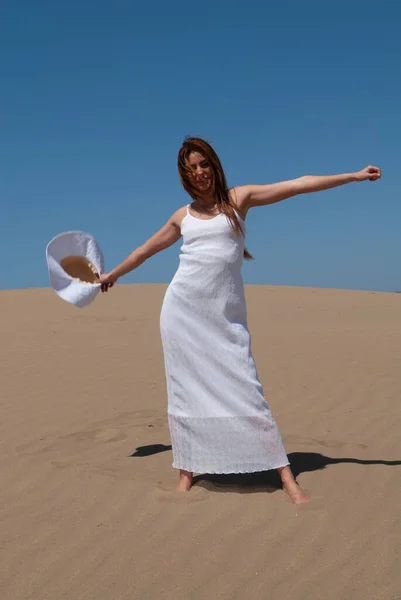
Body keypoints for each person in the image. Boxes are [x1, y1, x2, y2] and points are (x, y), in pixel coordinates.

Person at [97, 137, 381, 504]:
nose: (199, 173)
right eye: (190, 169)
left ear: (213, 165)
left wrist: (353, 176)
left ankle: (285, 476)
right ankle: (186, 472)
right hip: (182, 313)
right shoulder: (181, 216)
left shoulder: (238, 200)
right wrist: (112, 275)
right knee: (184, 391)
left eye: (203, 165)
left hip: (224, 317)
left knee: (246, 386)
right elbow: (143, 251)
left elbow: (296, 184)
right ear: (184, 176)